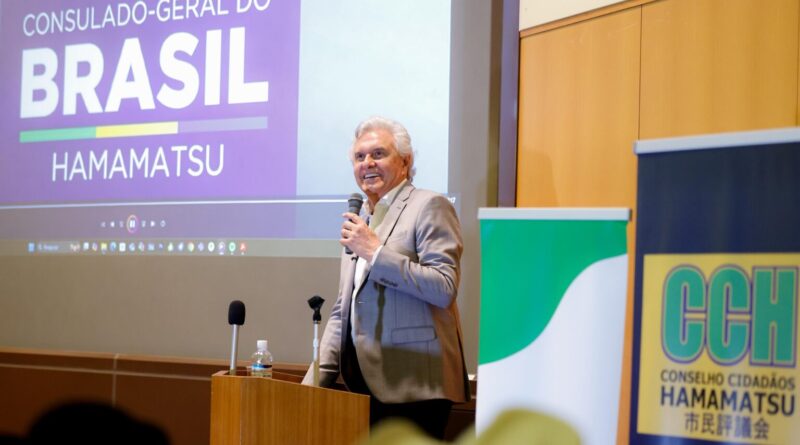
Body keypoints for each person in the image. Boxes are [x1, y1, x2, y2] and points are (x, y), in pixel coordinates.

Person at [302, 116, 470, 439]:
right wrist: (310, 387)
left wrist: (376, 253)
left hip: (416, 388)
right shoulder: (361, 221)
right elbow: (342, 312)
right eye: (360, 157)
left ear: (405, 162)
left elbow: (444, 287)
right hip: (364, 390)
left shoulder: (429, 205)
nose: (367, 163)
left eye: (378, 154)